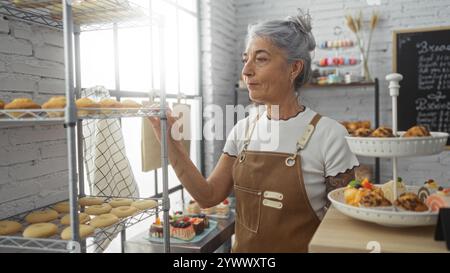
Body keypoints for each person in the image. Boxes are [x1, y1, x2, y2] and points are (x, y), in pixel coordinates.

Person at [148, 9, 359, 253]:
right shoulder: (244, 130)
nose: (246, 70)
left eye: (260, 59)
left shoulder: (330, 135)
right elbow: (208, 196)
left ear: (294, 69)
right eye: (245, 59)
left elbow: (344, 227)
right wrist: (170, 143)